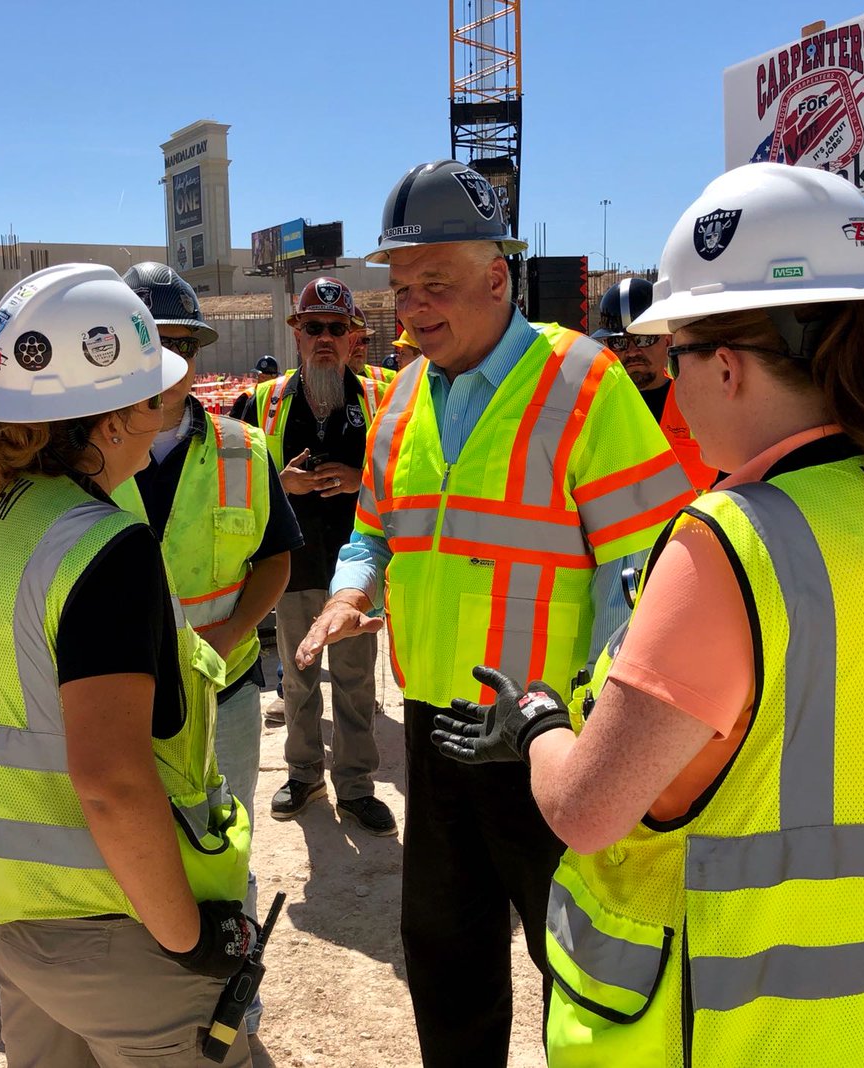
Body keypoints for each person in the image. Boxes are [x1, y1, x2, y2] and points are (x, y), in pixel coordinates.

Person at [432, 162, 864, 1067]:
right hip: (860, 1003)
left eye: (671, 361)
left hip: (717, 1016)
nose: (670, 391)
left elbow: (590, 811)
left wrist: (540, 723)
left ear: (725, 366)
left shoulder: (728, 544)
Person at [296, 160, 694, 1068]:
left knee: (583, 970)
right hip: (437, 738)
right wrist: (356, 592)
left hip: (552, 744)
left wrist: (605, 741)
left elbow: (642, 580)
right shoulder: (398, 400)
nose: (413, 308)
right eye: (400, 288)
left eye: (435, 283)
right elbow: (374, 534)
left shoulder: (584, 384)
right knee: (445, 961)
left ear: (498, 277)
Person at [0, 264, 256, 1067]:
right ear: (107, 421)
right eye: (152, 398)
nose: (164, 413)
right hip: (112, 931)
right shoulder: (105, 550)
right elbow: (111, 782)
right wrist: (189, 938)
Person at [112, 263, 302, 1038]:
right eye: (152, 344)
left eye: (182, 345)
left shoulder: (241, 449)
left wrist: (225, 639)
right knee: (123, 845)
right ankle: (140, 1004)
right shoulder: (81, 459)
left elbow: (276, 559)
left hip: (219, 696)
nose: (169, 363)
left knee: (222, 847)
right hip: (112, 700)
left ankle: (233, 1009)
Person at [242, 276, 394, 836]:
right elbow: (234, 480)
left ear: (354, 335)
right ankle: (304, 774)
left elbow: (410, 473)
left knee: (355, 685)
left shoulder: (383, 394)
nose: (324, 338)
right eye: (314, 328)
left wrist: (361, 481)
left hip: (355, 578)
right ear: (296, 334)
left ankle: (356, 786)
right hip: (295, 568)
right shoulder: (264, 400)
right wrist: (280, 485)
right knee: (299, 679)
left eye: (336, 328)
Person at [593, 277, 718, 490]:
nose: (632, 351)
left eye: (644, 339)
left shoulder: (703, 404)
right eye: (620, 342)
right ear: (608, 346)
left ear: (667, 340)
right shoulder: (593, 411)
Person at [229, 355, 280, 420]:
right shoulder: (247, 396)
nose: (261, 379)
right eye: (261, 377)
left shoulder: (279, 395)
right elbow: (234, 420)